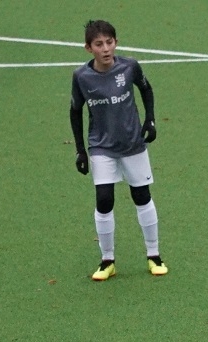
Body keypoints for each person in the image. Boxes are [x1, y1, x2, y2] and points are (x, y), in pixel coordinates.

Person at [70, 19, 167, 281]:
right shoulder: (81, 77)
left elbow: (146, 89)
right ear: (88, 48)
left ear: (116, 42)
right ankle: (107, 260)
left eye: (109, 42)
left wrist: (150, 120)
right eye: (98, 44)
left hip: (133, 143)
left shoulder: (130, 66)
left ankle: (154, 255)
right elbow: (75, 111)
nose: (105, 49)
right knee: (104, 199)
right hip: (101, 146)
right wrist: (80, 150)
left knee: (142, 196)